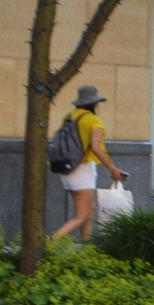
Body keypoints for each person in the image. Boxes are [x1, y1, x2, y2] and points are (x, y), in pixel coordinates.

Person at [53, 84, 125, 243]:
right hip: (83, 169)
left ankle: (87, 247)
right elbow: (95, 147)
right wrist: (112, 168)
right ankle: (51, 242)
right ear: (95, 104)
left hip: (67, 168)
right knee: (81, 216)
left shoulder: (69, 117)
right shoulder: (94, 121)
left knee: (88, 210)